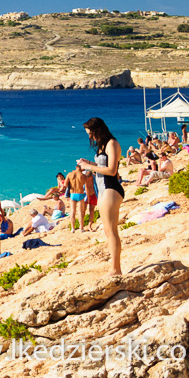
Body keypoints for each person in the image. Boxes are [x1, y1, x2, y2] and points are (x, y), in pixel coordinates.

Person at [78, 116, 125, 277]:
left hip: (111, 188)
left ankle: (116, 269)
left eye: (90, 133)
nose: (89, 136)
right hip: (104, 189)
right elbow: (103, 166)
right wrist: (90, 163)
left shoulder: (112, 143)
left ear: (98, 130)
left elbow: (112, 170)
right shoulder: (103, 145)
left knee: (111, 231)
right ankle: (114, 267)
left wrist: (89, 166)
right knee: (108, 231)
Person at [65, 165, 87, 232]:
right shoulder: (83, 176)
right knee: (80, 212)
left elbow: (65, 184)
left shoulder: (70, 174)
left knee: (72, 212)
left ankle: (73, 228)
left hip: (72, 194)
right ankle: (81, 228)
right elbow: (86, 186)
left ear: (76, 167)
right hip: (80, 193)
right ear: (82, 168)